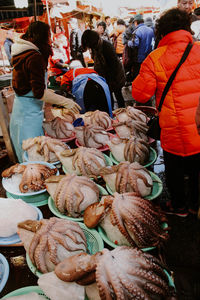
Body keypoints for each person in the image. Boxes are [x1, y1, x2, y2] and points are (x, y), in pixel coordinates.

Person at [132, 8, 200, 217]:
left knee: (175, 170)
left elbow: (140, 95)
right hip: (199, 126)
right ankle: (195, 205)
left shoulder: (155, 58)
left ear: (161, 32)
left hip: (174, 129)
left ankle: (179, 206)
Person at [10, 21, 80, 163]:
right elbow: (39, 92)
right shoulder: (34, 56)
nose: (50, 38)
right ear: (42, 36)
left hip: (21, 111)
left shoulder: (23, 52)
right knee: (33, 157)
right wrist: (65, 101)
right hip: (28, 116)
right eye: (48, 35)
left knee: (27, 154)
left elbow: (32, 85)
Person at [81, 29, 126, 108]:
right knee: (108, 94)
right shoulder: (95, 46)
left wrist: (110, 82)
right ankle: (111, 111)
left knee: (117, 94)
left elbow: (113, 66)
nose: (90, 47)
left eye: (89, 45)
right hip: (105, 74)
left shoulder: (106, 46)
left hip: (115, 75)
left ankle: (122, 111)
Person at [128, 14, 154, 80]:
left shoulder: (137, 31)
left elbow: (135, 44)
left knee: (138, 76)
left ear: (136, 22)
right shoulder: (151, 30)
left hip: (139, 58)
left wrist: (129, 43)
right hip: (149, 57)